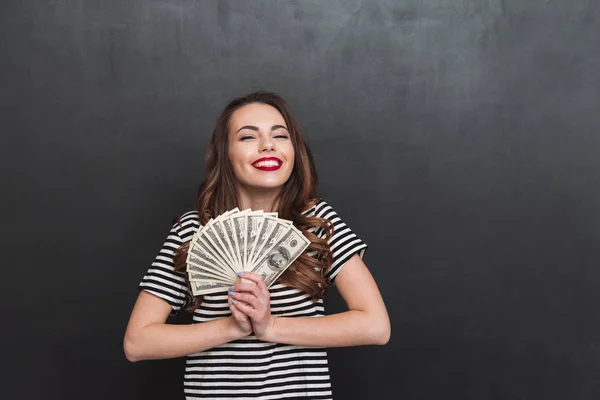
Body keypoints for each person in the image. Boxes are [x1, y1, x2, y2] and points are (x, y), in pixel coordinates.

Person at [123, 91, 391, 399]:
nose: (268, 145)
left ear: (294, 151)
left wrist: (271, 326)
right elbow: (137, 343)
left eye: (280, 135)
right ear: (225, 154)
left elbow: (375, 326)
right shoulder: (192, 230)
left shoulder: (316, 222)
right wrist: (232, 328)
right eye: (248, 136)